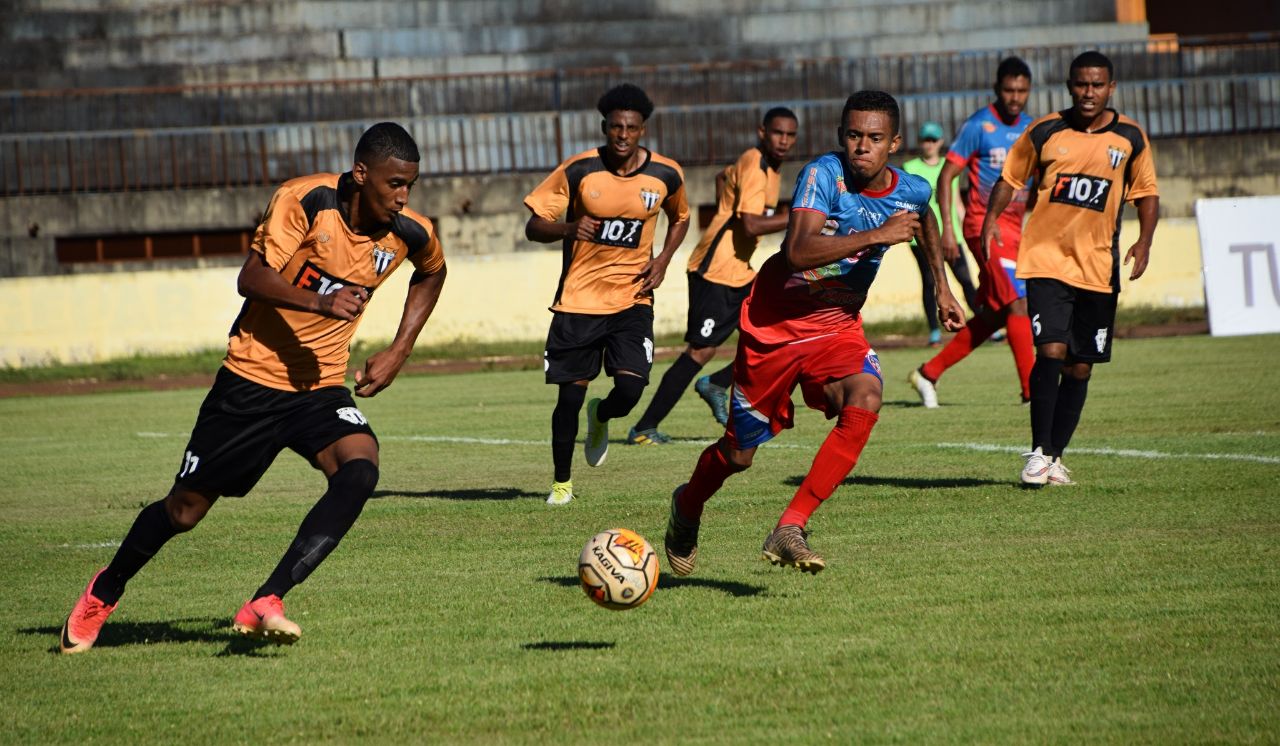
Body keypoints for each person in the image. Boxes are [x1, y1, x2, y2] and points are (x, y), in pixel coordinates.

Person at [59, 122, 449, 653]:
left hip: (318, 386)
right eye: (394, 184)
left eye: (411, 185)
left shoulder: (408, 232)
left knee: (360, 468)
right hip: (249, 382)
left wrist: (399, 349)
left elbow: (432, 272)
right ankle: (104, 590)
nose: (403, 197)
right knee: (184, 512)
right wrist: (319, 302)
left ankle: (267, 600)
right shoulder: (305, 201)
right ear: (362, 174)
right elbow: (251, 277)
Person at [662, 91, 965, 576]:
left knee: (865, 397)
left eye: (875, 138)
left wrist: (941, 289)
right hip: (775, 327)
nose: (862, 146)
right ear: (840, 136)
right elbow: (799, 251)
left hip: (836, 325)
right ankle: (688, 506)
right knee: (739, 455)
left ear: (895, 143)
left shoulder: (908, 187)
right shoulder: (824, 175)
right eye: (853, 135)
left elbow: (924, 215)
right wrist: (876, 235)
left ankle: (790, 526)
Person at [983, 51, 1158, 486]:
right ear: (1069, 85)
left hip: (1098, 268)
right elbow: (1009, 179)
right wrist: (989, 223)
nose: (1089, 93)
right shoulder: (1045, 131)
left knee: (1080, 366)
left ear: (1111, 88)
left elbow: (1147, 193)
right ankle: (1038, 453)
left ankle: (1055, 456)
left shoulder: (1130, 137)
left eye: (1097, 85)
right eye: (1081, 84)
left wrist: (1145, 239)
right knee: (1051, 352)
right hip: (1046, 260)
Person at [524, 83, 690, 506]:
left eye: (630, 128)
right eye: (615, 127)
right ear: (604, 128)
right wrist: (567, 228)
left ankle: (603, 415)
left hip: (633, 299)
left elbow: (681, 217)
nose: (622, 135)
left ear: (642, 131)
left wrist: (664, 259)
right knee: (569, 399)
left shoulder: (666, 174)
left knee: (631, 390)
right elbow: (534, 225)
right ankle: (562, 484)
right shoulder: (579, 170)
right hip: (578, 302)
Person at [626, 107, 799, 444]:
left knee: (777, 335)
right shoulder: (755, 163)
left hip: (740, 272)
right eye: (778, 133)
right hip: (716, 272)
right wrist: (798, 216)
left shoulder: (769, 168)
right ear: (762, 132)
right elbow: (750, 223)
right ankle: (645, 427)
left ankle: (717, 383)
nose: (784, 140)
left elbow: (723, 176)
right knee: (700, 351)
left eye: (791, 135)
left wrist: (726, 204)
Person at [908, 57, 1037, 408]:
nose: (1015, 97)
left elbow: (1037, 183)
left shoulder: (1031, 128)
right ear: (998, 90)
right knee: (1018, 301)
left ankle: (928, 373)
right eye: (1009, 90)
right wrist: (949, 228)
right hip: (984, 226)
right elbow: (948, 176)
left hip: (1014, 230)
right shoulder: (979, 125)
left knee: (997, 312)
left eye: (1022, 91)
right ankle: (1032, 392)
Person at [901, 120, 977, 346]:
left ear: (941, 142)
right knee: (929, 282)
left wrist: (970, 231)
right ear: (920, 142)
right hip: (923, 239)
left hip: (951, 236)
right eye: (926, 139)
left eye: (934, 140)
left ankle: (984, 324)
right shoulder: (910, 168)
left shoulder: (949, 166)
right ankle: (934, 331)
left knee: (965, 279)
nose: (930, 144)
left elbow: (958, 204)